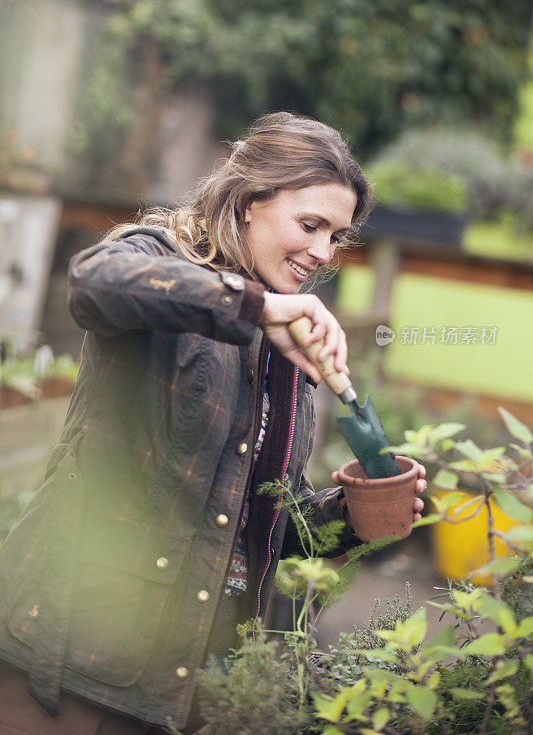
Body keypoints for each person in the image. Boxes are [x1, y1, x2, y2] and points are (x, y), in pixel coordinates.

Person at [0, 112, 426, 734]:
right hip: (74, 653)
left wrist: (354, 517)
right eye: (310, 226)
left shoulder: (287, 345)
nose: (322, 253)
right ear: (252, 200)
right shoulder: (163, 260)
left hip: (185, 685)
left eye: (335, 235)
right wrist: (253, 306)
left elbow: (266, 522)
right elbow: (94, 283)